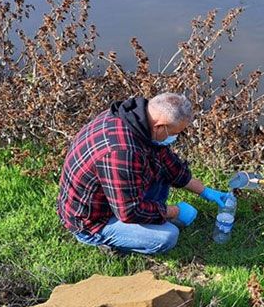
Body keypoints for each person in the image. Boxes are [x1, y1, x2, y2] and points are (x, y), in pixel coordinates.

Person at [57, 93, 231, 255]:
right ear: (160, 127)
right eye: (176, 133)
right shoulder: (122, 152)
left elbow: (167, 163)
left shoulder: (136, 120)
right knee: (167, 237)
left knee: (159, 168)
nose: (177, 137)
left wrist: (205, 191)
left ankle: (153, 217)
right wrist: (175, 211)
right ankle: (108, 243)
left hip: (112, 193)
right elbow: (129, 212)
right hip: (91, 219)